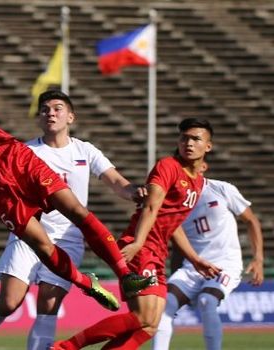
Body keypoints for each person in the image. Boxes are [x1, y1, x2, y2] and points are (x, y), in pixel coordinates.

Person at [0, 67, 155, 342]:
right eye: (45, 109)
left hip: (68, 238)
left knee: (49, 304)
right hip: (29, 234)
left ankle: (122, 276)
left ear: (71, 116)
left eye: (58, 108)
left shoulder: (85, 150)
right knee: (9, 302)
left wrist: (133, 192)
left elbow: (116, 181)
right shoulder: (29, 150)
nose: (51, 113)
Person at [53, 118, 223, 350]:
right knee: (144, 316)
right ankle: (67, 347)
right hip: (141, 247)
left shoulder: (198, 182)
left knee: (151, 325)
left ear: (208, 146)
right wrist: (137, 243)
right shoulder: (167, 167)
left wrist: (194, 259)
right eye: (184, 138)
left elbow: (173, 223)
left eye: (195, 139)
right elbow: (150, 207)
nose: (189, 143)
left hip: (157, 252)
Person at [152, 163, 264, 350]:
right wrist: (175, 273)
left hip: (226, 264)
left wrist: (258, 259)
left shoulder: (222, 189)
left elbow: (251, 220)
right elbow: (179, 246)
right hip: (193, 267)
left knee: (207, 301)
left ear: (203, 167)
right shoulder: (175, 205)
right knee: (165, 305)